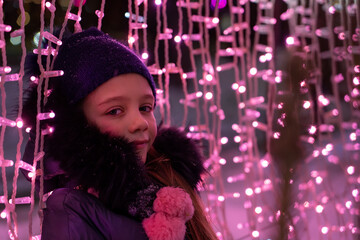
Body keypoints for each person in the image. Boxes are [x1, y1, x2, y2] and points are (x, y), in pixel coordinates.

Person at [21, 27, 218, 240]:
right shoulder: (71, 210)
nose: (139, 123)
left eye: (145, 108)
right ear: (76, 125)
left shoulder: (167, 175)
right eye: (115, 111)